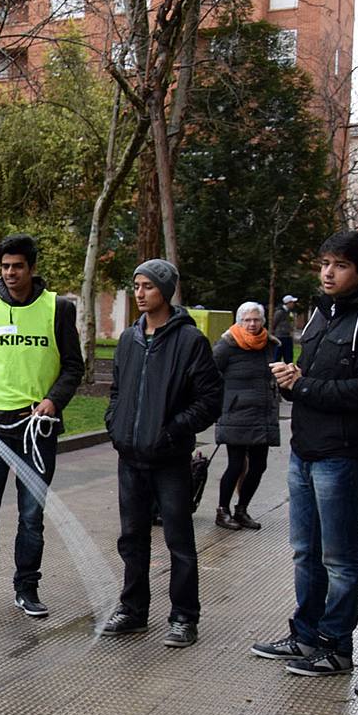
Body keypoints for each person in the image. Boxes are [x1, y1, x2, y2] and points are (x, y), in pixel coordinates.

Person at [253, 231, 358, 677]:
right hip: (305, 450)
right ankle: (305, 637)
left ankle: (336, 646)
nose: (327, 272)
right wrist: (292, 377)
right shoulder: (324, 315)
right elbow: (314, 377)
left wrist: (303, 385)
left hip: (344, 455)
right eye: (324, 263)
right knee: (305, 551)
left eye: (339, 265)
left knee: (339, 557)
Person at [0, 234, 84, 619]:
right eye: (5, 266)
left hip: (37, 429)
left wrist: (53, 401)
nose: (10, 273)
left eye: (18, 266)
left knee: (30, 517)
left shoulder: (57, 309)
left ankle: (26, 589)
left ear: (32, 268)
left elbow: (74, 366)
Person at [102, 259, 222, 648]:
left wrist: (172, 430)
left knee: (179, 541)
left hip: (169, 459)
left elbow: (210, 400)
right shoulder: (128, 338)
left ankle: (185, 617)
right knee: (132, 538)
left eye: (148, 286)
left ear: (165, 292)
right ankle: (133, 611)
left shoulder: (190, 341)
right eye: (136, 285)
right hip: (130, 457)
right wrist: (115, 424)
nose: (139, 293)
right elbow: (118, 390)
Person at [211, 302, 280, 531]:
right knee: (236, 464)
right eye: (247, 320)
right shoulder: (226, 345)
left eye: (256, 320)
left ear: (263, 322)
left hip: (262, 413)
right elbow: (210, 375)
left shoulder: (269, 345)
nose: (252, 324)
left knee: (259, 465)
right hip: (236, 415)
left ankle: (242, 509)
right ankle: (223, 510)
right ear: (239, 322)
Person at [271, 294, 297, 364]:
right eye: (292, 302)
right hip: (280, 337)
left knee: (288, 357)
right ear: (288, 303)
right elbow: (274, 323)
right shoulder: (279, 312)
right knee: (277, 356)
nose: (293, 304)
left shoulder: (289, 312)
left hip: (287, 336)